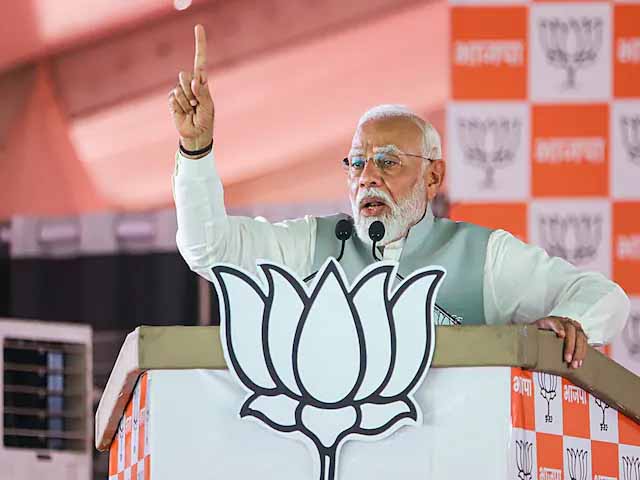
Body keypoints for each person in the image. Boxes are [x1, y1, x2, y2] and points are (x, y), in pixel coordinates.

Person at [169, 25, 629, 370]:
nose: (367, 177)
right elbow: (210, 250)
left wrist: (572, 322)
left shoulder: (482, 256)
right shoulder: (313, 243)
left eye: (387, 161)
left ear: (433, 177)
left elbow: (604, 296)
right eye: (356, 164)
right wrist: (196, 151)